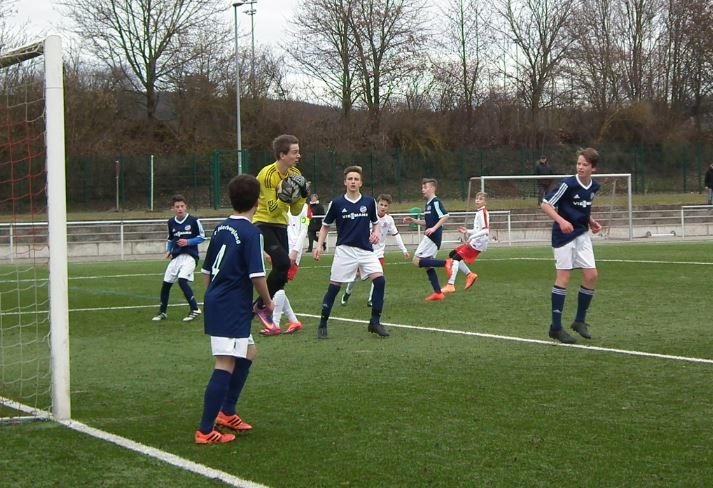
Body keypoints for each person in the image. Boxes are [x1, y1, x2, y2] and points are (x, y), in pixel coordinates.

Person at [194, 174, 273, 444]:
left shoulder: (221, 228)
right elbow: (257, 276)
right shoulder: (252, 233)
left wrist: (212, 296)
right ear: (257, 201)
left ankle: (227, 412)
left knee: (249, 352)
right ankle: (205, 430)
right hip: (230, 305)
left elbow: (206, 271)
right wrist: (268, 302)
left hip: (222, 301)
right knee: (225, 362)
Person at [313, 165, 389, 339]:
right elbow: (325, 226)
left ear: (361, 183)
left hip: (366, 250)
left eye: (356, 179)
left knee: (380, 281)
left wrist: (375, 233)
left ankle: (375, 322)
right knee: (334, 287)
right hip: (344, 251)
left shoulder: (369, 202)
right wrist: (318, 246)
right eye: (350, 179)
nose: (353, 182)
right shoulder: (336, 203)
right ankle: (323, 323)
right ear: (345, 182)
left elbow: (376, 223)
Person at [541, 147, 602, 344]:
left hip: (582, 234)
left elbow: (583, 207)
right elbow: (545, 204)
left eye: (585, 164)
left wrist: (591, 221)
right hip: (564, 236)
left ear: (593, 168)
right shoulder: (568, 184)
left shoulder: (593, 186)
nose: (580, 167)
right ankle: (556, 327)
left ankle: (579, 321)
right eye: (578, 163)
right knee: (564, 277)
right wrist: (561, 221)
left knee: (591, 275)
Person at [252, 134, 308, 336]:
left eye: (298, 152)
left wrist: (301, 196)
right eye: (295, 152)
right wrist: (285, 196)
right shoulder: (267, 175)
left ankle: (256, 308)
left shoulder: (295, 173)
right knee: (284, 263)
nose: (298, 156)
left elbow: (295, 211)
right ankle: (261, 306)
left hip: (281, 225)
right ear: (282, 155)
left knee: (283, 271)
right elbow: (273, 210)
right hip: (263, 222)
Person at [340, 193, 409, 307]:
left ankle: (371, 299)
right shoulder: (369, 216)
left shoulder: (389, 220)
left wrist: (404, 250)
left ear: (388, 207)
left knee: (378, 276)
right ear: (377, 204)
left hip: (378, 253)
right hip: (364, 250)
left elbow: (396, 235)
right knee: (355, 275)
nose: (383, 207)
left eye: (385, 205)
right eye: (381, 204)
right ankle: (347, 293)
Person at [151, 194, 205, 322]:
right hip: (176, 257)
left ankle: (195, 309)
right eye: (177, 206)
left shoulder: (193, 221)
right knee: (166, 284)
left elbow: (202, 237)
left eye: (182, 206)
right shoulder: (171, 222)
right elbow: (171, 239)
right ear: (172, 208)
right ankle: (162, 312)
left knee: (182, 280)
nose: (180, 208)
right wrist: (169, 250)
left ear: (186, 207)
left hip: (190, 257)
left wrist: (188, 242)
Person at [402, 178, 450, 301]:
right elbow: (427, 222)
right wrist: (413, 220)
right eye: (422, 187)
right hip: (431, 237)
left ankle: (446, 263)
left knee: (416, 260)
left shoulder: (435, 202)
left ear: (432, 188)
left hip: (432, 238)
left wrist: (433, 228)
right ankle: (438, 293)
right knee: (428, 266)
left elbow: (445, 216)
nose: (422, 190)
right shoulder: (428, 204)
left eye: (425, 187)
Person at [442, 192, 489, 293]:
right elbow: (478, 230)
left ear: (485, 202)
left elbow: (486, 230)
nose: (477, 200)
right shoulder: (479, 212)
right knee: (452, 254)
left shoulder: (483, 212)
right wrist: (467, 231)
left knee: (455, 259)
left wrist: (471, 237)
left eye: (480, 199)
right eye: (477, 198)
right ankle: (470, 275)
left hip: (478, 243)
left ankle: (450, 285)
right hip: (477, 240)